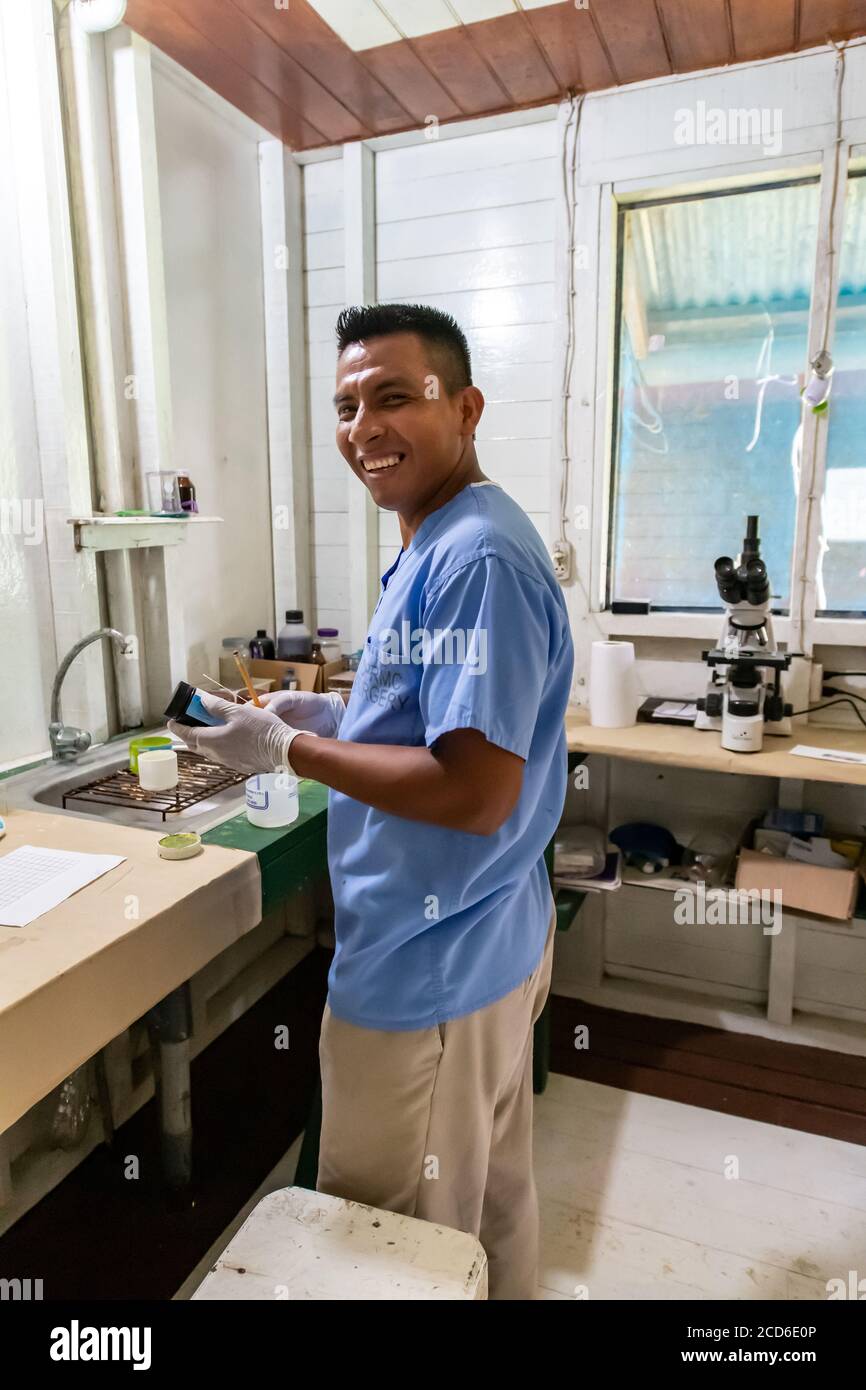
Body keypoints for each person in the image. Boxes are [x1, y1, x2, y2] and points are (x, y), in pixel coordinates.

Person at [168, 303, 574, 1299]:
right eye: (346, 405)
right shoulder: (445, 536)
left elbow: (477, 792)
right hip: (484, 946)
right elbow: (437, 719)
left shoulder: (472, 557)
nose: (363, 429)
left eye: (395, 396)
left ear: (463, 406)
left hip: (428, 975)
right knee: (485, 1205)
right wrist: (340, 708)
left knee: (388, 1244)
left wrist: (290, 746)